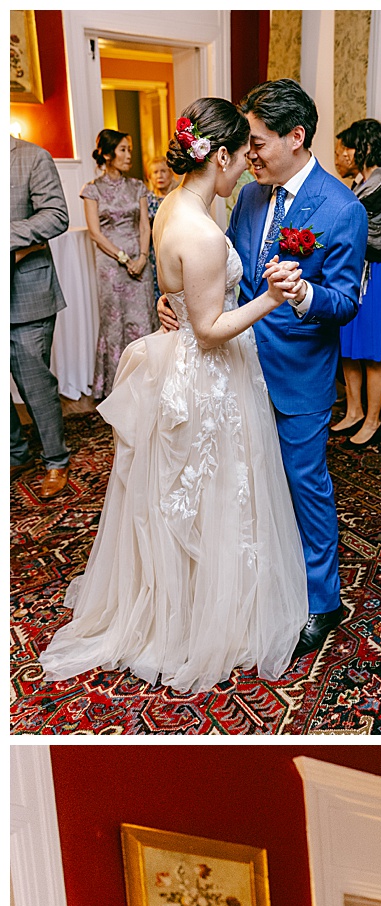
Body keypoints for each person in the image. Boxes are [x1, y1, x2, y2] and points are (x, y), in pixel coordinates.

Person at [40, 101, 310, 693]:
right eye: (242, 155)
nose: (246, 166)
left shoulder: (170, 211)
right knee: (216, 486)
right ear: (219, 155)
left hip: (176, 365)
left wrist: (180, 306)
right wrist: (271, 297)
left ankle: (177, 600)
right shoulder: (206, 233)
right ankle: (204, 617)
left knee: (171, 491)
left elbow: (177, 292)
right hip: (209, 371)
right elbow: (212, 329)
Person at [198, 78, 368, 659]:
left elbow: (345, 302)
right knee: (245, 476)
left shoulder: (343, 208)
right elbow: (228, 264)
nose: (248, 155)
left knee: (305, 485)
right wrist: (187, 297)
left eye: (259, 142)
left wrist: (302, 295)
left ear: (297, 138)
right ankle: (260, 580)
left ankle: (324, 602)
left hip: (299, 372)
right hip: (238, 361)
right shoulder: (247, 196)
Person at [330, 118, 381, 450]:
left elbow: (354, 231)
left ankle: (374, 421)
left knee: (372, 354)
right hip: (356, 274)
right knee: (349, 348)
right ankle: (354, 410)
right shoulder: (361, 185)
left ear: (365, 148)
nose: (341, 155)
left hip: (376, 274)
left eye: (345, 148)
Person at [10, 132, 72, 498]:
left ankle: (55, 460)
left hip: (27, 294)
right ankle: (16, 453)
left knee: (35, 383)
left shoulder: (33, 157)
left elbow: (56, 216)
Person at [80, 129, 157, 399]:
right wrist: (124, 259)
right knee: (115, 322)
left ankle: (148, 383)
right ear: (107, 154)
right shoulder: (92, 190)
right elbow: (95, 233)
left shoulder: (137, 186)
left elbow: (145, 225)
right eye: (123, 149)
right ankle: (116, 387)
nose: (128, 155)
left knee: (144, 319)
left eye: (129, 149)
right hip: (112, 267)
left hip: (140, 263)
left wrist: (143, 258)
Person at [145, 161, 172, 301]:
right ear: (149, 176)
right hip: (153, 254)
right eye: (155, 172)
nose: (159, 176)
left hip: (175, 250)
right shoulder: (146, 200)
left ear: (171, 173)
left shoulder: (176, 197)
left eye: (163, 171)